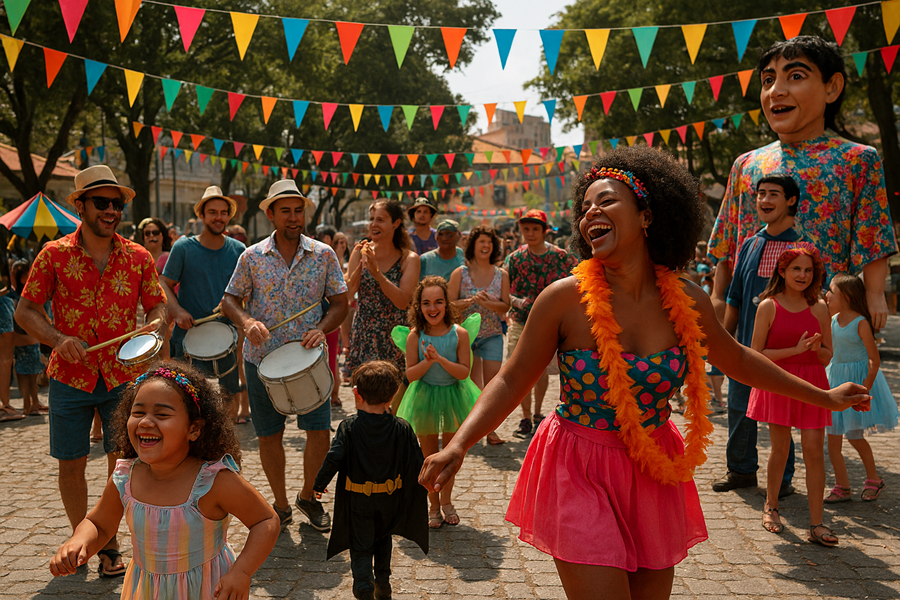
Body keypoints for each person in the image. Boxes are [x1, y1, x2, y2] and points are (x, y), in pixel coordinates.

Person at [419, 147, 869, 600]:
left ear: (647, 216)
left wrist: (824, 397)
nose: (591, 211)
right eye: (586, 206)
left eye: (607, 201)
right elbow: (511, 380)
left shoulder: (686, 299)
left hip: (655, 470)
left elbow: (739, 360)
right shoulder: (562, 299)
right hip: (578, 465)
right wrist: (459, 444)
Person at [15, 164, 167, 577]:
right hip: (70, 376)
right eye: (102, 202)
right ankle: (82, 539)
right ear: (80, 205)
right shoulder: (54, 254)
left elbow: (156, 303)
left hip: (122, 375)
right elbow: (26, 310)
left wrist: (155, 320)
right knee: (71, 462)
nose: (111, 210)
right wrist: (56, 338)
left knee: (121, 463)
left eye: (116, 204)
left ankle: (107, 542)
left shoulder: (138, 255)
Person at [709, 36, 896, 342]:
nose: (776, 91)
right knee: (755, 388)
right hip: (755, 318)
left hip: (824, 313)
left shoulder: (857, 159)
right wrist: (719, 296)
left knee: (821, 386)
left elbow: (872, 234)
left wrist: (875, 295)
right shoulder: (747, 163)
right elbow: (728, 242)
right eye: (768, 80)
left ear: (832, 87)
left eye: (795, 76)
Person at [49, 361, 280, 598]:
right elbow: (100, 524)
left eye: (161, 414)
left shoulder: (213, 481)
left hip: (206, 590)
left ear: (194, 429)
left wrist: (242, 572)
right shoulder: (126, 476)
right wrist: (79, 541)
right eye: (138, 412)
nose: (146, 422)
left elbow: (265, 520)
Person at [222, 179, 348, 533]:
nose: (293, 217)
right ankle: (279, 503)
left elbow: (340, 303)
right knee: (268, 435)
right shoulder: (252, 256)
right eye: (285, 211)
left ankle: (308, 496)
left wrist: (323, 327)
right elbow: (229, 300)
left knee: (319, 432)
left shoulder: (324, 254)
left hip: (309, 360)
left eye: (298, 210)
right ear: (271, 214)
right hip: (262, 360)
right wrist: (247, 321)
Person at [713, 173, 803, 495]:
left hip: (784, 354)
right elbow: (735, 298)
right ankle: (740, 471)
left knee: (780, 415)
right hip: (744, 348)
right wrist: (724, 341)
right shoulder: (750, 244)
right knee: (738, 408)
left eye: (773, 194)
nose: (764, 200)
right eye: (761, 194)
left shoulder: (801, 250)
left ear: (791, 201)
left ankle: (784, 480)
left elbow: (810, 303)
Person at [314, 361, 428, 600]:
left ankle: (363, 585)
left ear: (356, 393)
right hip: (389, 500)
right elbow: (417, 463)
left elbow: (334, 458)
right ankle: (383, 582)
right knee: (383, 539)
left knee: (361, 544)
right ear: (394, 394)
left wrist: (318, 485)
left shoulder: (349, 427)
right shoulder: (402, 428)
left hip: (359, 501)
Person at [747, 244, 836, 545]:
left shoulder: (820, 307)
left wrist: (817, 349)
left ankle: (817, 523)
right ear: (782, 271)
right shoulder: (768, 306)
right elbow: (756, 353)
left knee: (814, 451)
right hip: (779, 382)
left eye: (808, 269)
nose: (803, 275)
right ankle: (771, 506)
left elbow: (828, 356)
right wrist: (795, 351)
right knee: (780, 450)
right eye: (796, 268)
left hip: (813, 384)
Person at [396, 277, 480, 528]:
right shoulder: (415, 336)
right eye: (426, 303)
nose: (433, 308)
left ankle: (446, 500)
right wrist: (428, 361)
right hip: (425, 398)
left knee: (450, 456)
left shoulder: (460, 334)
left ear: (447, 304)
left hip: (454, 396)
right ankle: (432, 505)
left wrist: (440, 359)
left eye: (438, 302)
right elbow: (410, 375)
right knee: (429, 454)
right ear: (418, 307)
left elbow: (464, 372)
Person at [160, 186, 247, 422]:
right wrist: (177, 310)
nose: (218, 217)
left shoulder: (239, 250)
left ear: (229, 216)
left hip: (225, 336)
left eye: (222, 212)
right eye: (212, 212)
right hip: (187, 336)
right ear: (202, 215)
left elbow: (246, 290)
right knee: (183, 398)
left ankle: (225, 444)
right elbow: (163, 282)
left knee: (229, 394)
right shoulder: (183, 247)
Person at [823, 273, 898, 503]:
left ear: (846, 296)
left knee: (855, 437)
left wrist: (864, 389)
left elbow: (874, 359)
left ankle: (873, 479)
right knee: (832, 439)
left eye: (831, 292)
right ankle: (842, 486)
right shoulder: (832, 320)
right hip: (836, 382)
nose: (826, 296)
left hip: (856, 385)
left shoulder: (860, 323)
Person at [504, 209, 578, 438]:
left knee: (541, 369)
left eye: (535, 228)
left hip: (550, 323)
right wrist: (518, 301)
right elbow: (502, 291)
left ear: (545, 231)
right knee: (519, 370)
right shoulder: (514, 258)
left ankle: (537, 414)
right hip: (520, 321)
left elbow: (578, 281)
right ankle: (525, 418)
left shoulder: (561, 257)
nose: (530, 233)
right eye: (526, 229)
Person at [448, 226, 510, 446]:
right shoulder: (460, 273)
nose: (486, 246)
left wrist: (488, 303)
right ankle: (472, 430)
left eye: (490, 243)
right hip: (467, 337)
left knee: (493, 385)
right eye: (482, 242)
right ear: (472, 245)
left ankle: (491, 431)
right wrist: (466, 303)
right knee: (473, 386)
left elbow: (505, 305)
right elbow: (448, 304)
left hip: (493, 334)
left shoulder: (501, 274)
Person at [346, 200, 420, 378]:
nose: (373, 224)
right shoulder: (359, 251)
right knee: (365, 397)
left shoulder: (409, 259)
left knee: (394, 398)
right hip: (365, 335)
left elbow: (403, 302)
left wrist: (377, 274)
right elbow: (348, 295)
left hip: (396, 336)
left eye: (380, 219)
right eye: (371, 219)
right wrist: (359, 269)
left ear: (396, 223)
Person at [9, 259, 46, 416]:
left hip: (22, 337)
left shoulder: (14, 293)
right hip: (28, 336)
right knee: (30, 373)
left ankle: (29, 404)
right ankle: (32, 403)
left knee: (24, 372)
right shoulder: (29, 292)